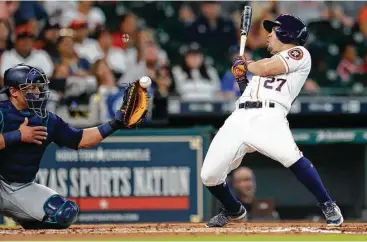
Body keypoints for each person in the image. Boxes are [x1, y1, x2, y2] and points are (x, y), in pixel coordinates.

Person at [201, 14, 343, 227]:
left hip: (269, 118)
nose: (268, 35)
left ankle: (328, 204)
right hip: (240, 117)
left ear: (287, 33)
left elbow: (266, 68)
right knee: (209, 175)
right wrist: (241, 79)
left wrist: (246, 65)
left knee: (292, 158)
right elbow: (248, 93)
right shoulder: (263, 63)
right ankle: (233, 209)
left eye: (273, 30)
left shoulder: (299, 53)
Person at [0, 64, 143, 229]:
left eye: (38, 87)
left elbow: (80, 139)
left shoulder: (47, 119)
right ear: (14, 91)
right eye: (30, 88)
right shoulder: (2, 113)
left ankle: (26, 221)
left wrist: (116, 123)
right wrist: (18, 135)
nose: (37, 92)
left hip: (20, 187)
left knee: (64, 213)